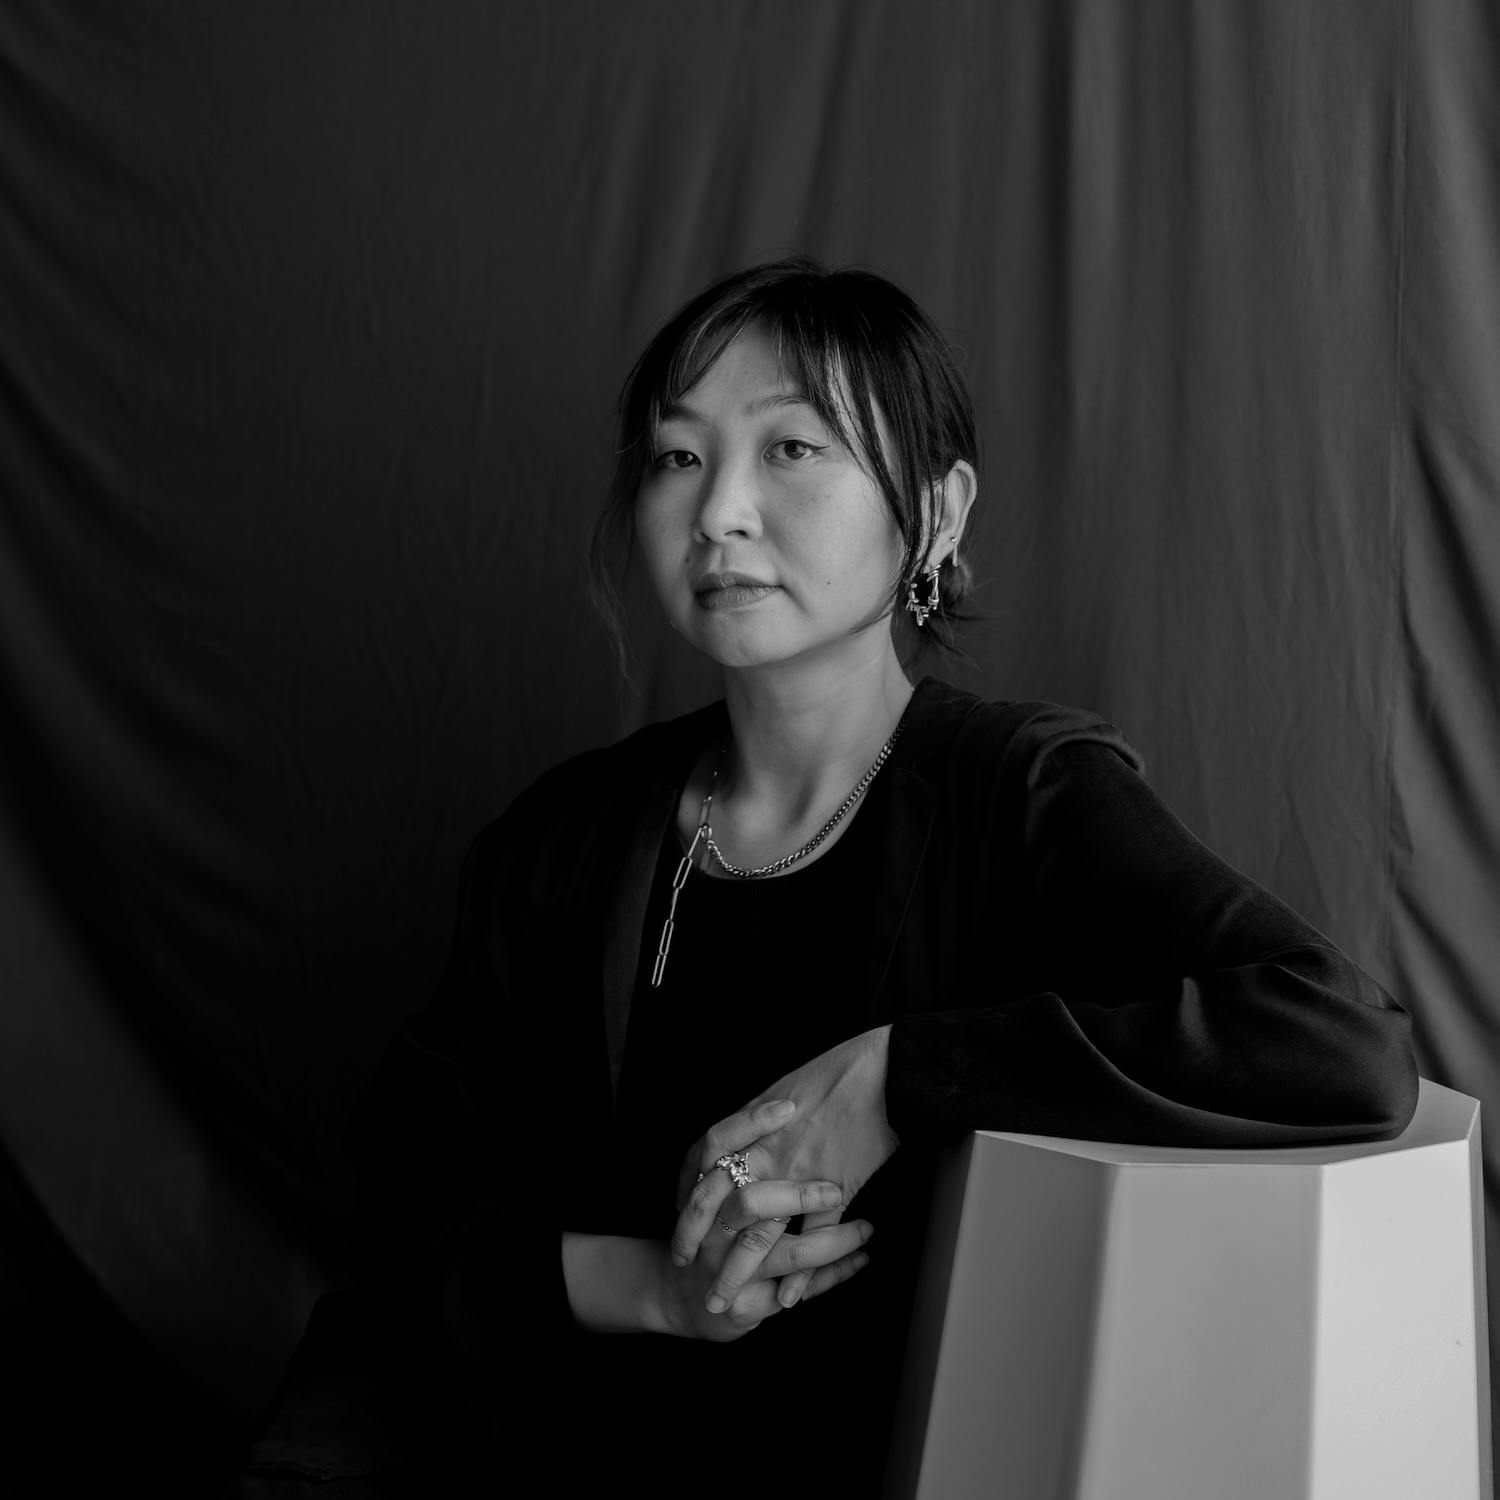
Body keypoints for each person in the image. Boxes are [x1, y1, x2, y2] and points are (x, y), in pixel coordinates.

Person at [231, 256, 1418, 1494]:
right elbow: (403, 1210)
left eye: (792, 448)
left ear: (938, 514)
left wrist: (899, 1076)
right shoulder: (564, 836)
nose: (719, 511)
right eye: (678, 456)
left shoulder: (1020, 794)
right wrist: (659, 1290)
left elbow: (1339, 1042)